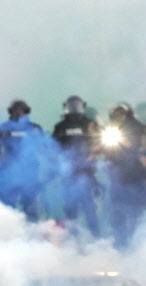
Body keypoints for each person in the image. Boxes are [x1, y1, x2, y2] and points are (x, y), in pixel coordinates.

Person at [52, 95, 101, 236]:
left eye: (77, 105)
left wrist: (93, 153)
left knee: (89, 207)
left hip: (86, 171)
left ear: (82, 106)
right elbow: (54, 147)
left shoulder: (90, 124)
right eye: (71, 105)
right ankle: (71, 241)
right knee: (70, 208)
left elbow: (99, 143)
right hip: (69, 172)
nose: (74, 108)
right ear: (66, 107)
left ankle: (96, 238)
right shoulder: (60, 126)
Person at [104, 103, 146, 247]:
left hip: (135, 175)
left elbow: (140, 146)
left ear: (127, 114)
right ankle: (119, 241)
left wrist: (125, 142)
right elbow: (108, 150)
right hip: (117, 174)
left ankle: (138, 241)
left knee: (136, 209)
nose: (118, 116)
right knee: (117, 208)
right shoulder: (112, 128)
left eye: (121, 113)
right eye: (116, 114)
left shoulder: (137, 127)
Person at [0, 100, 44, 221]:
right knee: (8, 209)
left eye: (21, 111)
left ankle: (33, 234)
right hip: (9, 173)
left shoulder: (35, 128)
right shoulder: (4, 128)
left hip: (30, 174)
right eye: (15, 110)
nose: (18, 113)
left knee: (31, 209)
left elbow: (45, 148)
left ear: (26, 112)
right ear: (11, 112)